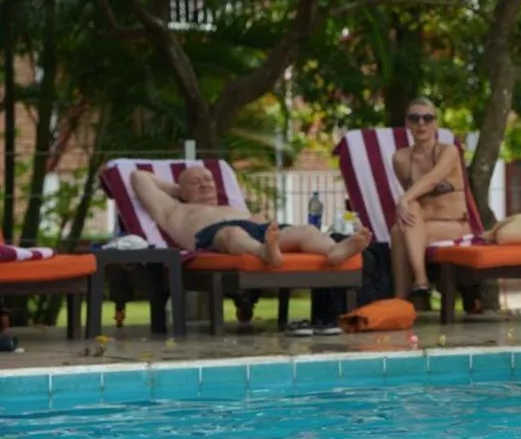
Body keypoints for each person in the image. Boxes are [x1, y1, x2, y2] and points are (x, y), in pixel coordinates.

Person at [130, 167, 371, 267]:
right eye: (196, 182)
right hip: (218, 235)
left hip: (262, 232)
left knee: (305, 231)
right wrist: (179, 192)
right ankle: (264, 252)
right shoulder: (175, 210)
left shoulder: (231, 206)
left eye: (208, 180)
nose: (205, 184)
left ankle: (335, 250)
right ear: (180, 190)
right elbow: (139, 177)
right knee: (232, 233)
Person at [389, 97, 471, 299]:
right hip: (421, 224)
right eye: (414, 118)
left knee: (400, 228)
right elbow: (414, 195)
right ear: (407, 123)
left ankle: (410, 290)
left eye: (427, 118)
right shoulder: (401, 159)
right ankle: (417, 287)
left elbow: (432, 179)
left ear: (436, 123)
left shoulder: (449, 151)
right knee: (402, 224)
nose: (421, 123)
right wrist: (407, 201)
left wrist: (403, 200)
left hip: (454, 225)